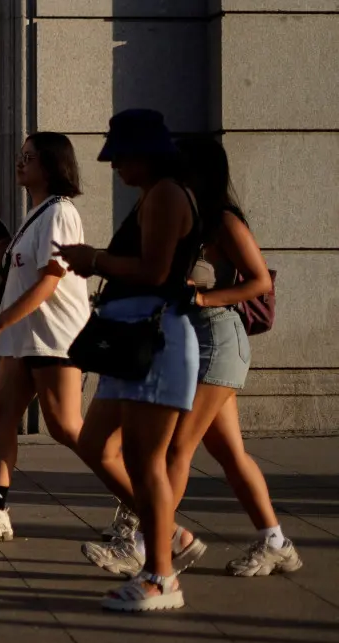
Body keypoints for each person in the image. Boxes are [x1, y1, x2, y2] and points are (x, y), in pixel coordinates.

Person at [79, 136, 303, 578]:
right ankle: (276, 542)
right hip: (187, 341)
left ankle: (148, 546)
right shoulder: (180, 215)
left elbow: (259, 282)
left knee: (175, 448)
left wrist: (204, 299)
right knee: (229, 452)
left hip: (217, 342)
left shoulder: (221, 220)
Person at [55, 109, 203, 612]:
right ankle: (170, 539)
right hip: (134, 339)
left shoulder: (164, 194)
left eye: (120, 155)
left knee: (146, 462)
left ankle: (161, 576)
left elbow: (155, 270)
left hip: (153, 338)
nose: (114, 164)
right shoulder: (154, 194)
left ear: (145, 153)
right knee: (95, 442)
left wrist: (92, 258)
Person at [0, 133, 90, 543]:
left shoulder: (61, 212)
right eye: (20, 156)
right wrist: (3, 260)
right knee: (2, 416)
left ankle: (140, 499)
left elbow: (50, 281)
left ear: (51, 164)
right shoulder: (36, 213)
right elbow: (26, 273)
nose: (20, 162)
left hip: (53, 337)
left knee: (65, 428)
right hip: (23, 338)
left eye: (28, 157)